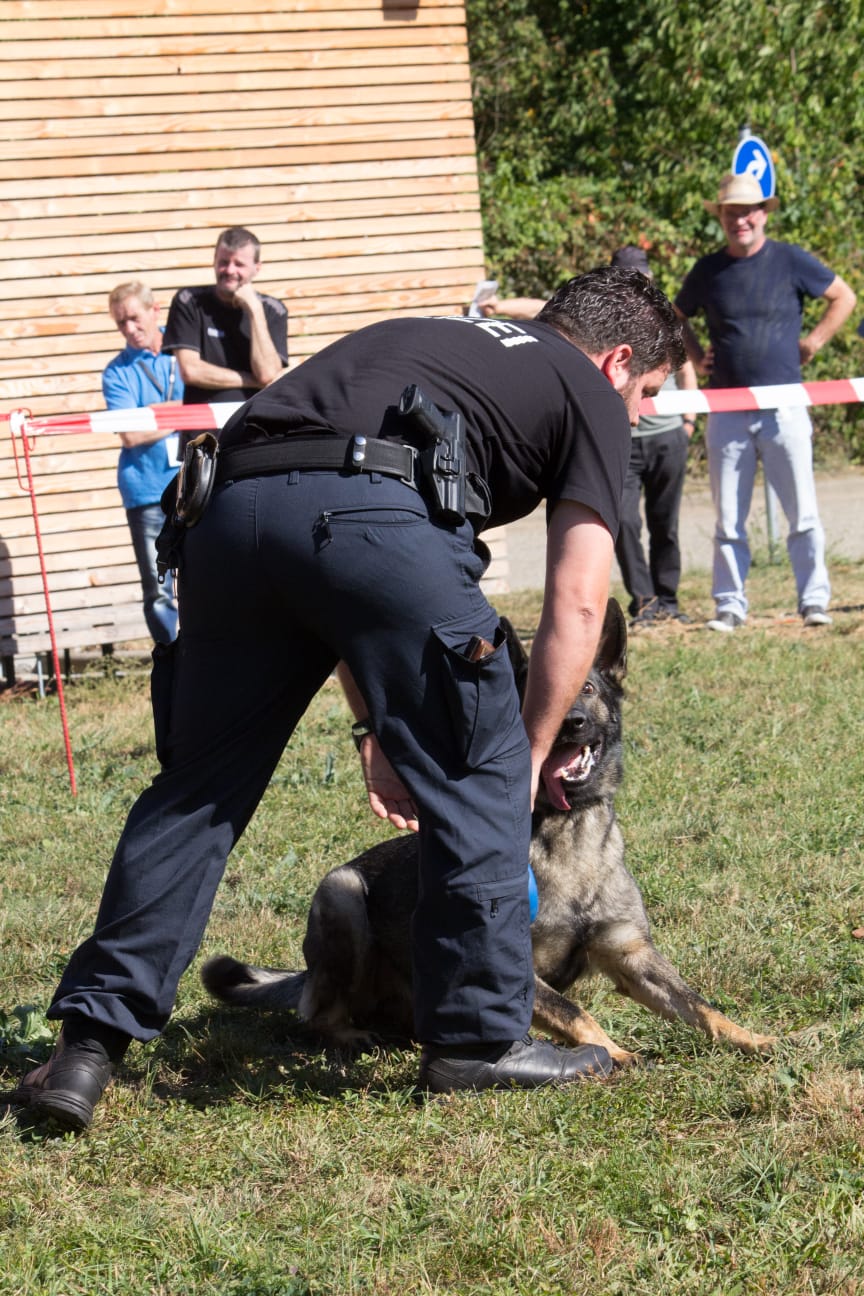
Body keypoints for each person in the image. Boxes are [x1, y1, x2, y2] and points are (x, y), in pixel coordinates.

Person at [7, 267, 684, 1129]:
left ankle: (83, 1054)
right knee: (484, 762)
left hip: (226, 517)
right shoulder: (583, 388)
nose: (636, 414)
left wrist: (377, 724)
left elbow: (318, 522)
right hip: (371, 523)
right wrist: (531, 748)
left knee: (196, 794)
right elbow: (578, 602)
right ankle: (478, 1042)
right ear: (617, 360)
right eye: (647, 393)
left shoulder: (429, 337)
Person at [675, 173, 856, 631]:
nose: (742, 219)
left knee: (803, 512)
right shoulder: (708, 270)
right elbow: (674, 317)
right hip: (727, 408)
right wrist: (696, 354)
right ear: (721, 217)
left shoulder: (792, 260)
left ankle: (814, 601)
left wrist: (813, 341)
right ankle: (729, 606)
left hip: (785, 405)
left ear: (763, 214)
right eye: (732, 212)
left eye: (749, 211)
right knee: (729, 518)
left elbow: (843, 297)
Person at [608, 246, 698, 628]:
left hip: (667, 436)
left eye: (641, 277)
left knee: (666, 523)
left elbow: (687, 365)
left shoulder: (667, 319)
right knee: (625, 522)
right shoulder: (601, 321)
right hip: (624, 442)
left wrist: (689, 420)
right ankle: (643, 602)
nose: (636, 285)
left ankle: (669, 599)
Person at [102, 282, 184, 645]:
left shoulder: (186, 350)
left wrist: (152, 414)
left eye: (134, 318)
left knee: (211, 574)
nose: (129, 329)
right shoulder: (117, 372)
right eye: (121, 323)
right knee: (159, 586)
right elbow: (131, 435)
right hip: (147, 490)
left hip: (195, 481)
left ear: (155, 310)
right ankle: (172, 659)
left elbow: (212, 403)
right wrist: (184, 411)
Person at [162, 226, 289, 450]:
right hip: (202, 442)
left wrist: (254, 310)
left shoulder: (273, 310)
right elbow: (191, 370)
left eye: (239, 264)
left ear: (257, 268)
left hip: (253, 438)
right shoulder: (189, 301)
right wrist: (252, 380)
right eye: (223, 262)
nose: (229, 270)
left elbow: (268, 372)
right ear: (214, 261)